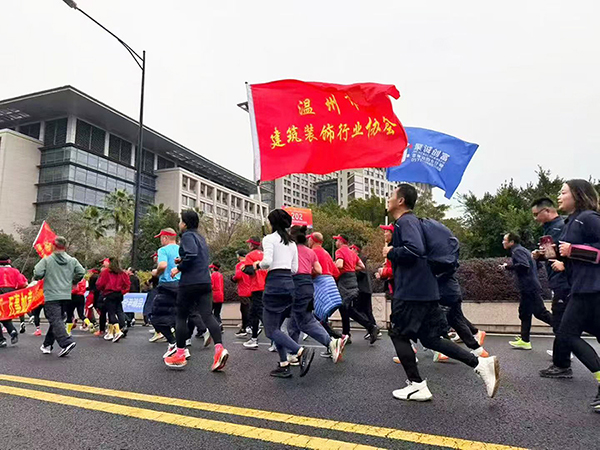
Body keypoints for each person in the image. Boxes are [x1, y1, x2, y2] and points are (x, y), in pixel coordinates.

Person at [384, 184, 499, 401]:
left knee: (398, 334)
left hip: (411, 292)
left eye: (391, 195)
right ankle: (480, 363)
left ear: (401, 201)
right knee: (430, 339)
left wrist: (391, 251)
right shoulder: (412, 222)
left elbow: (414, 250)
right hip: (426, 290)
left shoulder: (405, 221)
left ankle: (417, 385)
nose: (387, 199)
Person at [538, 180, 600, 413]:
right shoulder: (571, 221)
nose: (559, 196)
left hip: (590, 288)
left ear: (578, 194)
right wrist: (548, 255)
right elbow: (569, 255)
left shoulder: (589, 218)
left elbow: (588, 250)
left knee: (566, 334)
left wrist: (573, 250)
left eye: (563, 192)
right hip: (582, 287)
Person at [164, 210, 229, 371]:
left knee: (181, 317)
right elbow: (196, 256)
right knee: (208, 315)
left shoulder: (187, 236)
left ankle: (180, 354)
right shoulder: (201, 238)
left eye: (181, 221)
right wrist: (182, 259)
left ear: (185, 224)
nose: (179, 224)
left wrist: (178, 268)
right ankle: (219, 349)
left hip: (189, 282)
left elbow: (192, 255)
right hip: (205, 281)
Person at [257, 209, 314, 378]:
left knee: (270, 331)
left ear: (272, 223)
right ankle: (283, 364)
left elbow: (266, 262)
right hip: (289, 285)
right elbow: (294, 269)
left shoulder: (269, 239)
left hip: (274, 285)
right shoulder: (292, 243)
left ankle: (300, 351)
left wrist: (256, 265)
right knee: (277, 329)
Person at [288, 226, 344, 364]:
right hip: (309, 286)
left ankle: (330, 342)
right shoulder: (311, 252)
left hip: (297, 286)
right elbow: (319, 270)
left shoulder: (290, 250)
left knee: (304, 322)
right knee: (296, 321)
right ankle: (293, 352)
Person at [531, 197, 572, 358]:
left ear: (546, 211)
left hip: (563, 281)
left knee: (561, 321)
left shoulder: (561, 226)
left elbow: (569, 253)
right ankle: (562, 354)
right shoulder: (550, 228)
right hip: (557, 280)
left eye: (536, 214)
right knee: (561, 320)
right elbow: (553, 255)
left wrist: (564, 264)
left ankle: (563, 357)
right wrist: (540, 255)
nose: (535, 219)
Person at [34, 236, 85, 357]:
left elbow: (38, 273)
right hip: (66, 295)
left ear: (53, 246)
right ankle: (47, 344)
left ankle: (66, 342)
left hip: (52, 294)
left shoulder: (47, 260)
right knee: (57, 319)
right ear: (65, 246)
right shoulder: (72, 260)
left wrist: (39, 277)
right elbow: (81, 272)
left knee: (55, 319)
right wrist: (73, 281)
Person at [501, 233, 553, 350]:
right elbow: (537, 265)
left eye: (504, 240)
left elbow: (524, 265)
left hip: (529, 287)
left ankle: (564, 331)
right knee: (524, 313)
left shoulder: (517, 251)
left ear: (511, 242)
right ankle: (525, 341)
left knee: (540, 313)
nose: (503, 242)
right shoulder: (524, 250)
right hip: (528, 287)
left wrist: (508, 266)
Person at [334, 234, 379, 344]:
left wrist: (332, 267)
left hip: (344, 281)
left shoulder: (339, 251)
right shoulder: (352, 253)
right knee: (345, 308)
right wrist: (351, 268)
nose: (336, 242)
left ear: (341, 241)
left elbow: (339, 265)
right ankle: (347, 334)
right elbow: (362, 266)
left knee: (346, 308)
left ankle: (369, 327)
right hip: (353, 280)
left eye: (337, 240)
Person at [307, 232, 344, 354]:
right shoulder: (326, 253)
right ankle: (335, 341)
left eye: (309, 239)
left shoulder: (312, 253)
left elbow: (311, 271)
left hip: (320, 285)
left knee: (316, 318)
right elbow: (336, 272)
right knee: (321, 318)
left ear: (312, 240)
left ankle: (334, 341)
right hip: (330, 285)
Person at [151, 228, 181, 359]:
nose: (160, 240)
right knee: (178, 317)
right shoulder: (182, 249)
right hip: (182, 286)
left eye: (161, 238)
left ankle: (173, 343)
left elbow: (163, 265)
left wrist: (156, 273)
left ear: (165, 238)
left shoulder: (163, 250)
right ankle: (182, 348)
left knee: (156, 317)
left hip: (167, 285)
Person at [96, 258, 130, 343]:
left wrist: (103, 291)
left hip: (109, 294)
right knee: (119, 311)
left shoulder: (106, 272)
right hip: (119, 294)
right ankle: (112, 332)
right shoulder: (122, 273)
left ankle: (117, 331)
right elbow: (127, 284)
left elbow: (100, 284)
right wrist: (122, 292)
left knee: (111, 313)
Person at [242, 237, 267, 349]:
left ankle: (276, 337)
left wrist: (243, 269)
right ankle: (254, 338)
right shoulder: (265, 255)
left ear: (252, 245)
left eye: (249, 244)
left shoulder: (250, 256)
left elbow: (250, 271)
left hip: (256, 287)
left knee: (260, 313)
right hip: (266, 286)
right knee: (253, 313)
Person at [350, 244, 379, 341]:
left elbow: (361, 273)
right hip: (366, 288)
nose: (350, 250)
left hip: (362, 289)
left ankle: (371, 327)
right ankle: (373, 328)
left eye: (351, 248)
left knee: (357, 310)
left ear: (356, 250)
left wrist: (351, 273)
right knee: (367, 310)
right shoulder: (362, 259)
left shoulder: (359, 259)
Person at [0, 255, 28, 347]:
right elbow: (23, 284)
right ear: (9, 261)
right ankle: (12, 331)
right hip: (10, 294)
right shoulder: (15, 271)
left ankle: (1, 339)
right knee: (5, 315)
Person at [232, 249, 252, 337]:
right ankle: (248, 325)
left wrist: (233, 278)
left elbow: (238, 276)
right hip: (251, 288)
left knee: (244, 309)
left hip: (243, 289)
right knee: (249, 308)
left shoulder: (239, 265)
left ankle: (246, 327)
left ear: (239, 256)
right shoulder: (250, 263)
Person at [210, 263, 225, 330]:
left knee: (209, 312)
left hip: (214, 295)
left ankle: (216, 326)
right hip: (220, 295)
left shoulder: (213, 275)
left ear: (213, 268)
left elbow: (212, 286)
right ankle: (220, 326)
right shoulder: (220, 275)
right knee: (217, 313)